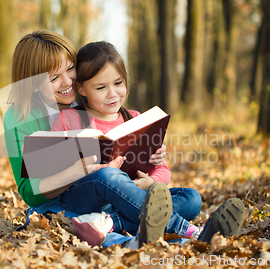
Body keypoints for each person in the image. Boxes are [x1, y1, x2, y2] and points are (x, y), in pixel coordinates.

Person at [50, 41, 245, 247]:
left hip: (130, 201)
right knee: (107, 175)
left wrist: (150, 182)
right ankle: (189, 231)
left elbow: (163, 171)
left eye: (118, 83)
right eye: (101, 87)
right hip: (86, 198)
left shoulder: (135, 119)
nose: (113, 93)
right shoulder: (68, 119)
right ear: (81, 88)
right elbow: (51, 172)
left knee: (191, 198)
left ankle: (107, 224)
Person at [3, 30, 170, 246]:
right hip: (59, 205)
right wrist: (77, 171)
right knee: (100, 192)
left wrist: (152, 155)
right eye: (54, 78)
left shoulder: (86, 98)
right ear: (32, 83)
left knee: (188, 199)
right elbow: (29, 192)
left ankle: (114, 224)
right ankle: (176, 231)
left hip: (109, 198)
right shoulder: (19, 117)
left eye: (71, 68)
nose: (68, 82)